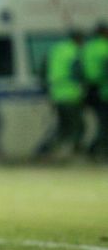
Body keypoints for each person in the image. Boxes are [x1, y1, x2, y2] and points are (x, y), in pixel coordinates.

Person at [40, 30, 86, 159]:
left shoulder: (55, 50)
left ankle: (48, 150)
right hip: (71, 94)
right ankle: (76, 154)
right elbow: (79, 73)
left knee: (63, 126)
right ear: (78, 39)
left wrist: (47, 87)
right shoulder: (75, 52)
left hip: (56, 94)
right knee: (78, 127)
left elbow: (43, 69)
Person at [82, 22, 108, 158]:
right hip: (103, 91)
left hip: (89, 90)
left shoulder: (87, 47)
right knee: (104, 124)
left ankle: (94, 149)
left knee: (101, 122)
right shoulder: (105, 47)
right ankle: (97, 150)